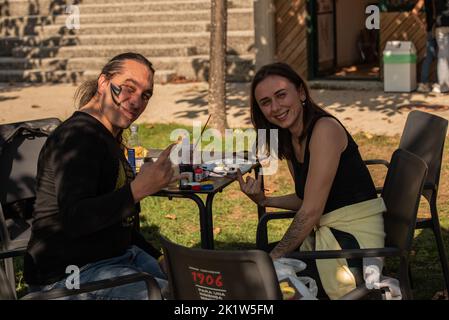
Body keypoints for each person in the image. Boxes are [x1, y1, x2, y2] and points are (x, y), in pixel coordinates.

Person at [24, 52, 179, 299]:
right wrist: (137, 189)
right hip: (68, 275)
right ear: (103, 83)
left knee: (189, 288)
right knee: (165, 296)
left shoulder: (107, 136)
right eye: (129, 88)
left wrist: (159, 258)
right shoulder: (78, 138)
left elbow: (120, 225)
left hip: (117, 257)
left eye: (145, 95)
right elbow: (75, 219)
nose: (136, 101)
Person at [237, 62, 386, 300]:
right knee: (246, 263)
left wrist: (275, 257)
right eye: (266, 102)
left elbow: (311, 211)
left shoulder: (324, 130)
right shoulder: (291, 137)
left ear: (302, 93)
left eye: (281, 95)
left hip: (354, 244)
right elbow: (306, 198)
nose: (275, 107)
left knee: (256, 273)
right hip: (328, 237)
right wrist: (265, 199)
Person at [413, 0, 439, 93]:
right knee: (442, 56)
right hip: (440, 27)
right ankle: (438, 84)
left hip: (430, 30)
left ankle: (423, 84)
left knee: (429, 56)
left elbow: (414, 12)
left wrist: (422, 25)